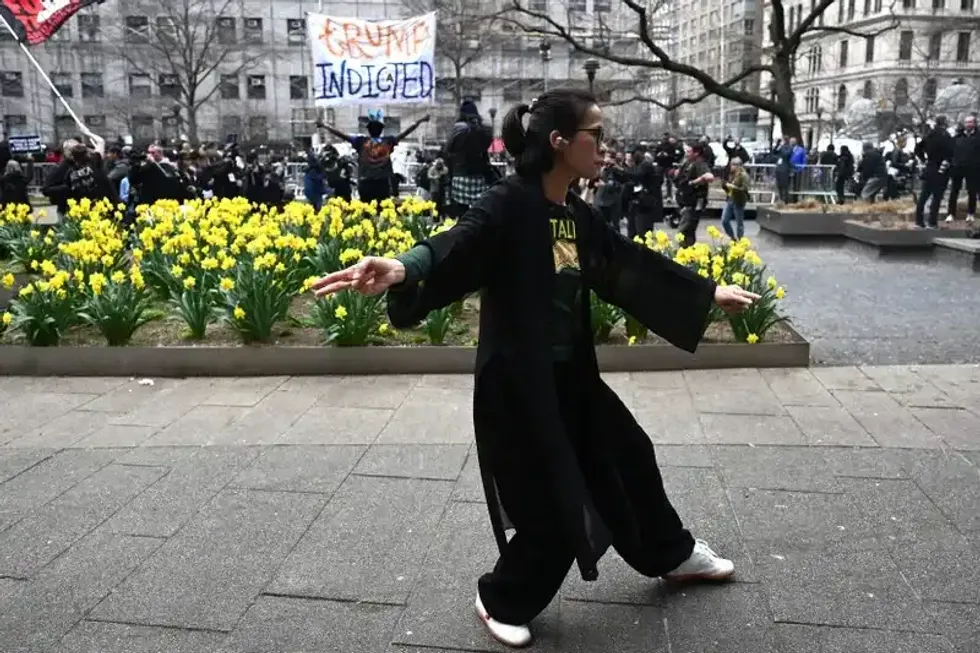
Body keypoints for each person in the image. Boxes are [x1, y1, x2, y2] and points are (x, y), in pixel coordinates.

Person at [311, 90, 758, 648]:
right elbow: (457, 244)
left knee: (629, 454)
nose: (604, 145)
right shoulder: (510, 204)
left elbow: (622, 262)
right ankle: (501, 597)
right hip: (518, 385)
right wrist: (402, 267)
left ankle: (671, 553)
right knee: (551, 503)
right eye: (595, 134)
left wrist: (708, 292)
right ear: (559, 142)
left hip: (571, 378)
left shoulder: (573, 214)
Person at [321, 109, 430, 204]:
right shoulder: (388, 142)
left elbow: (341, 134)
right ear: (381, 130)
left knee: (366, 213)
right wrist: (420, 121)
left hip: (365, 183)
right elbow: (406, 132)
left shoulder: (361, 142)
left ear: (368, 130)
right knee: (383, 213)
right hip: (382, 183)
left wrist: (324, 125)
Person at [445, 100, 496, 217]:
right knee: (478, 214)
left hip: (460, 176)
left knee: (461, 215)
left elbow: (448, 150)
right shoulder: (484, 130)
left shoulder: (458, 128)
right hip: (479, 178)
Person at [914, 117, 954, 229]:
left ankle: (918, 221)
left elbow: (917, 149)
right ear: (945, 123)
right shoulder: (946, 136)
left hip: (930, 167)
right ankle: (932, 222)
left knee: (924, 196)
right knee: (937, 197)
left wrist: (924, 159)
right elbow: (951, 153)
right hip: (941, 168)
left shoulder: (929, 135)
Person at [672, 143, 714, 247]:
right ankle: (690, 255)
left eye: (688, 152)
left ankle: (683, 254)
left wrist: (696, 181)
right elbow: (680, 180)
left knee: (682, 232)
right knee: (688, 233)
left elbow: (710, 177)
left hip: (693, 203)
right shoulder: (687, 163)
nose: (686, 154)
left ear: (696, 153)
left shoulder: (700, 163)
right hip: (684, 200)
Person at [945, 114, 979, 222]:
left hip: (973, 168)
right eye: (967, 122)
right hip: (957, 167)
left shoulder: (978, 137)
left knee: (972, 192)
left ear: (975, 124)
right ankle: (950, 213)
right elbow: (951, 151)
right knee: (954, 191)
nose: (968, 124)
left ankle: (970, 213)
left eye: (971, 122)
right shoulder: (957, 137)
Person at [721, 157, 749, 240]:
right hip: (730, 199)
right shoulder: (732, 174)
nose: (731, 166)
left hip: (739, 201)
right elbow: (728, 187)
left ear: (739, 166)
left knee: (739, 223)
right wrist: (724, 186)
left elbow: (744, 189)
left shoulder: (744, 175)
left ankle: (740, 240)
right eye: (731, 164)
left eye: (733, 165)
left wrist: (733, 187)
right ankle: (732, 237)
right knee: (724, 220)